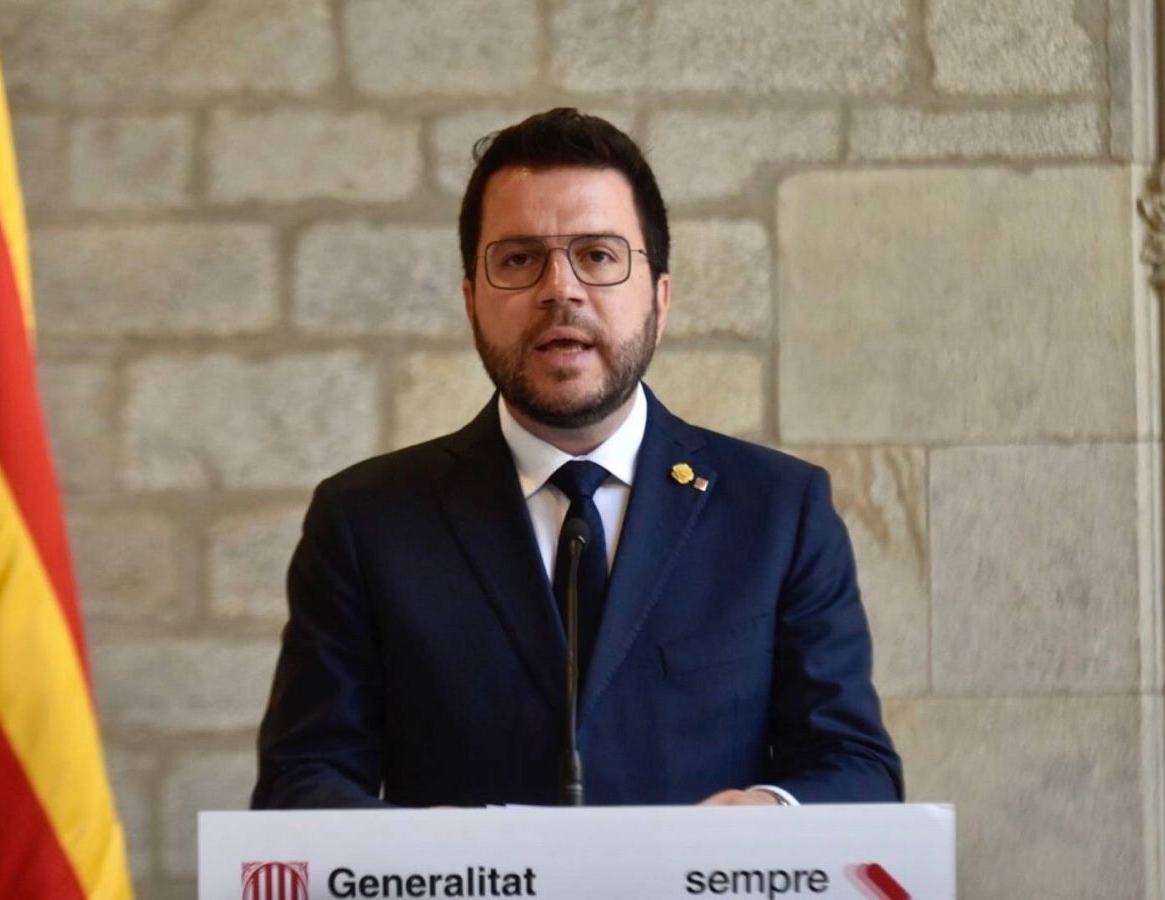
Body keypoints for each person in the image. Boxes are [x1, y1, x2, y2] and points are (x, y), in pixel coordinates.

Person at [252, 108, 902, 808]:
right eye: (518, 259)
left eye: (597, 255)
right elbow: (303, 782)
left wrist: (771, 812)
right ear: (471, 302)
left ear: (660, 298)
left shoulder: (780, 511)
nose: (559, 289)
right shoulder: (365, 522)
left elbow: (855, 768)